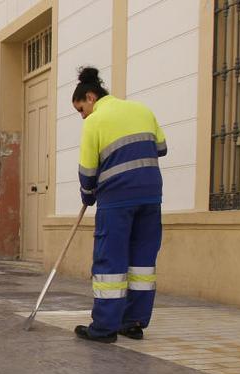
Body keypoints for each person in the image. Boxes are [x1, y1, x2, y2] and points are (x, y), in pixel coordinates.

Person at [71, 67, 166, 343]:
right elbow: (161, 148)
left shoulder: (95, 121)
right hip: (151, 197)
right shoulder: (142, 110)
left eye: (80, 109)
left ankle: (104, 328)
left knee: (110, 264)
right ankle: (133, 323)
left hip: (116, 200)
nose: (82, 116)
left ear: (90, 98)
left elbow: (88, 171)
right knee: (142, 264)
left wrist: (88, 194)